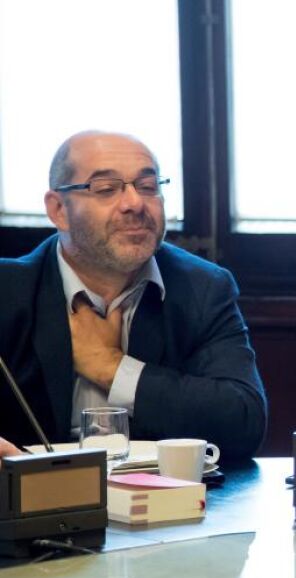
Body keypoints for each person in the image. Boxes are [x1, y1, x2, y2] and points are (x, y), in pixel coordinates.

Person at [0, 131, 267, 461]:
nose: (135, 204)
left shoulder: (203, 288)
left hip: (163, 492)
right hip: (34, 491)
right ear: (59, 210)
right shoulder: (9, 292)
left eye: (148, 186)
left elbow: (243, 423)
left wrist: (110, 367)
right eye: (106, 189)